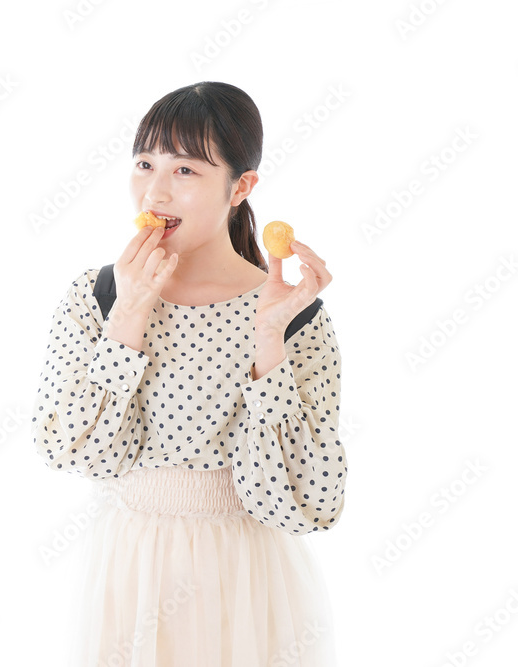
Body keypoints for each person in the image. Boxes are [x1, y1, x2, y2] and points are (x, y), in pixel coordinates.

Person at [30, 81, 347, 666]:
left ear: (242, 187)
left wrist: (269, 343)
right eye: (145, 163)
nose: (155, 189)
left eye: (186, 171)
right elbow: (73, 454)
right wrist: (127, 315)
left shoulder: (293, 313)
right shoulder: (95, 296)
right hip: (129, 572)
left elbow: (309, 503)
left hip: (247, 581)